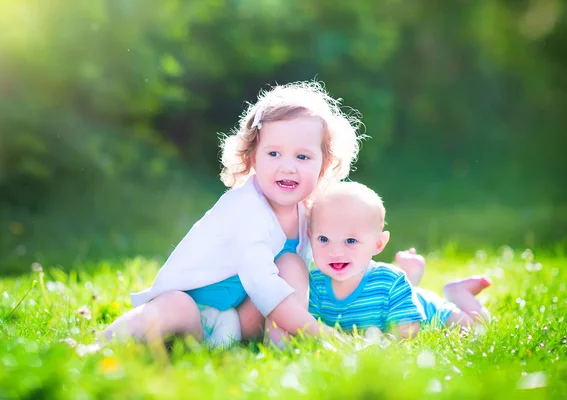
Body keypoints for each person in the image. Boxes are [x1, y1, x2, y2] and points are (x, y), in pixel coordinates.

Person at [102, 81, 363, 347]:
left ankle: (281, 346)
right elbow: (265, 289)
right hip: (191, 315)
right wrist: (325, 335)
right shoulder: (246, 208)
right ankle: (104, 344)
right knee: (176, 305)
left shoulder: (308, 214)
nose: (288, 167)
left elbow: (332, 268)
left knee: (293, 265)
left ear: (324, 164)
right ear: (252, 158)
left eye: (303, 157)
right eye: (273, 153)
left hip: (238, 323)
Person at [308, 182, 491, 339]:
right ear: (310, 237)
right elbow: (308, 325)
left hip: (430, 311)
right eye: (323, 239)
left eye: (350, 241)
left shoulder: (389, 280)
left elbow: (409, 330)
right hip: (400, 297)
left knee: (478, 327)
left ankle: (458, 293)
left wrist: (382, 344)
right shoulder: (314, 285)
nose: (336, 251)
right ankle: (413, 277)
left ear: (378, 244)